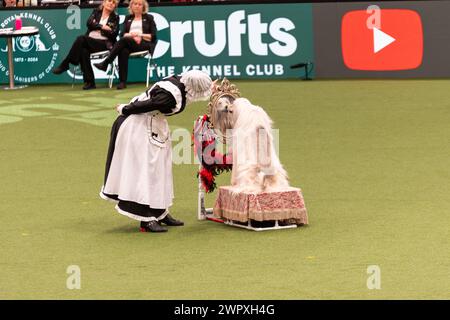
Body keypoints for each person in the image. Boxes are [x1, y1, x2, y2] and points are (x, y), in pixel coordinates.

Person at [100, 70, 213, 233]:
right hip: (137, 127)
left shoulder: (181, 81)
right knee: (145, 170)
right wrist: (125, 108)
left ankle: (159, 212)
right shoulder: (168, 95)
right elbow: (146, 105)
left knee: (160, 169)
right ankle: (145, 219)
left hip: (153, 125)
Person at [52, 0, 119, 90]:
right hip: (90, 41)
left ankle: (66, 63)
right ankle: (90, 82)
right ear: (104, 3)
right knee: (83, 51)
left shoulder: (115, 17)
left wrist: (96, 26)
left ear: (115, 6)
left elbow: (113, 33)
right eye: (109, 1)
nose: (111, 3)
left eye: (114, 3)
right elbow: (89, 23)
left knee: (81, 39)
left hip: (104, 44)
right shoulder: (96, 12)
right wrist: (102, 27)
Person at [94, 0, 157, 90]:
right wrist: (132, 35)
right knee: (123, 50)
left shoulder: (149, 18)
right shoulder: (128, 18)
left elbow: (153, 36)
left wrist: (139, 35)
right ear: (131, 6)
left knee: (124, 41)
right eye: (135, 4)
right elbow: (122, 34)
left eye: (140, 4)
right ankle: (122, 82)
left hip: (144, 44)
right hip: (130, 43)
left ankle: (106, 62)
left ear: (143, 7)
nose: (137, 6)